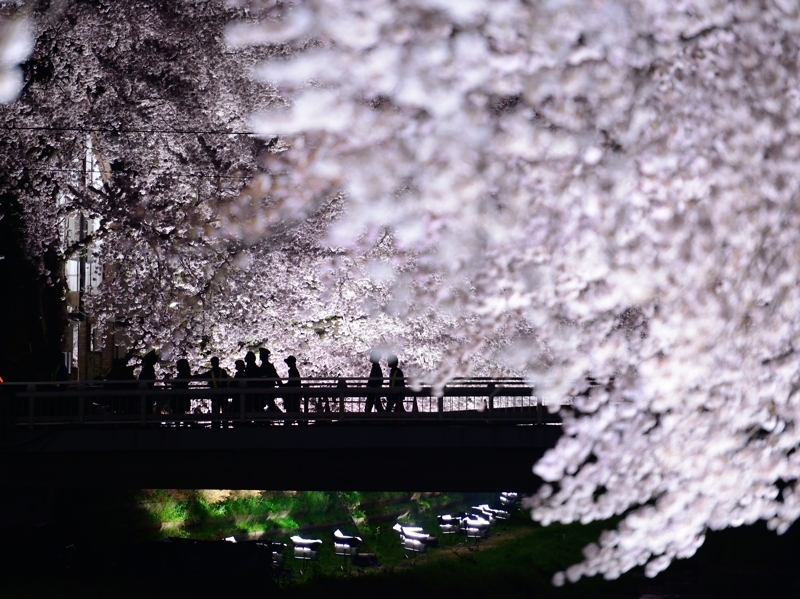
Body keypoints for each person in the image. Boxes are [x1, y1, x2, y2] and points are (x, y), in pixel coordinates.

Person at [195, 357, 229, 427]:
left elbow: (201, 377)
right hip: (223, 394)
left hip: (215, 395)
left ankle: (215, 426)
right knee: (224, 411)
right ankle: (225, 425)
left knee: (216, 411)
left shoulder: (211, 373)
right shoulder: (223, 372)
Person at [258, 348, 281, 413]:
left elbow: (275, 376)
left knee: (266, 405)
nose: (260, 356)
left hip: (267, 389)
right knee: (268, 405)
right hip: (266, 389)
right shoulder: (266, 365)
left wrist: (280, 384)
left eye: (261, 355)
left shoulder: (267, 366)